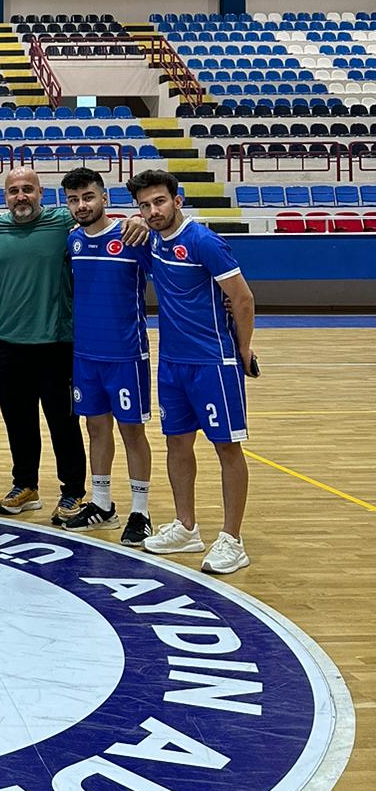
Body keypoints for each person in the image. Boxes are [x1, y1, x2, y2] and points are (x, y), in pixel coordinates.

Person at [0, 164, 149, 519]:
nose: (21, 197)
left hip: (57, 342)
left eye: (28, 189)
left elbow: (100, 222)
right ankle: (25, 485)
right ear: (5, 197)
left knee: (64, 422)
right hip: (7, 341)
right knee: (18, 421)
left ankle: (73, 490)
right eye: (14, 191)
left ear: (42, 194)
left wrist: (139, 220)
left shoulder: (64, 222)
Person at [128, 168, 257, 576]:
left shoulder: (204, 242)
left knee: (227, 448)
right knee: (177, 444)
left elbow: (243, 299)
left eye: (159, 202)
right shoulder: (152, 239)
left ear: (177, 201)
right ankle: (186, 528)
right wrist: (132, 222)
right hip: (172, 364)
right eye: (145, 206)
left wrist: (243, 349)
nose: (153, 211)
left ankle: (232, 540)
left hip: (213, 363)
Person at [61, 166, 153, 545]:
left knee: (132, 431)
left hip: (126, 355)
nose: (81, 205)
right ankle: (102, 505)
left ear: (104, 198)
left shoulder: (133, 236)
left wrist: (142, 221)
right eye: (73, 200)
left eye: (88, 197)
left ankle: (140, 512)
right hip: (85, 355)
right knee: (95, 428)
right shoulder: (72, 241)